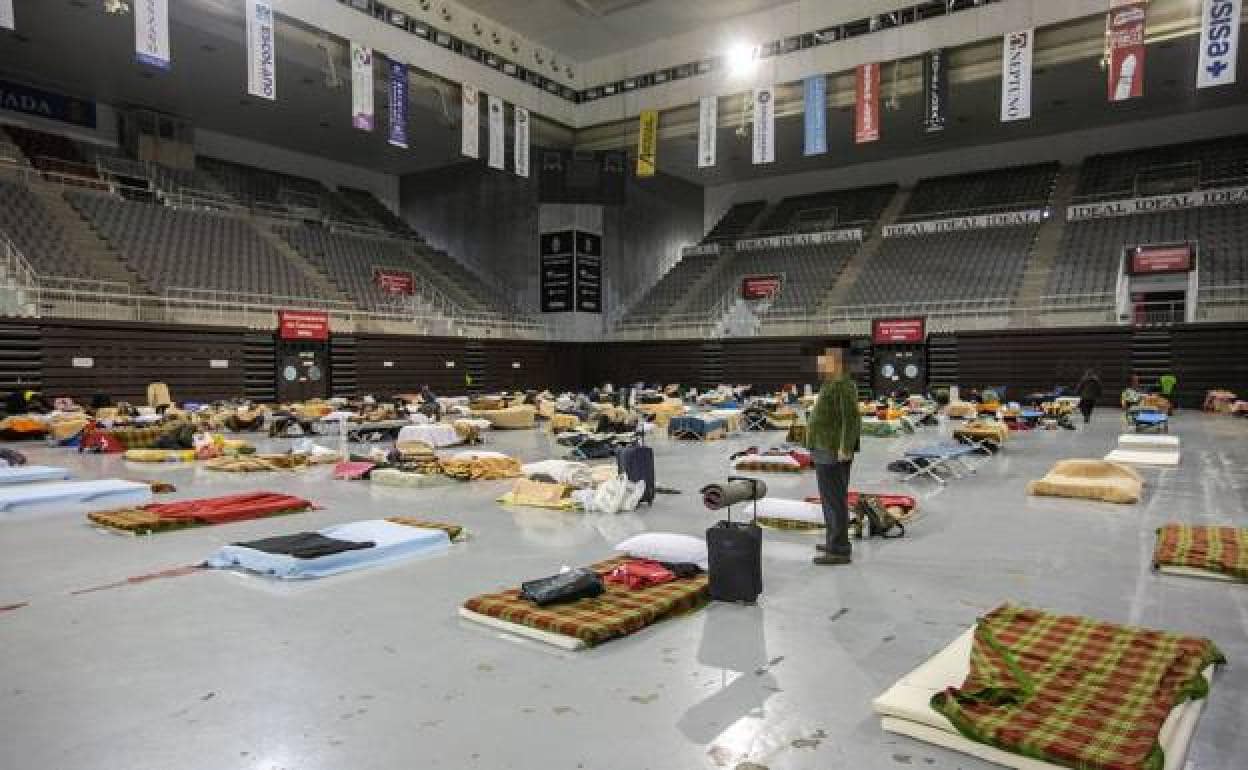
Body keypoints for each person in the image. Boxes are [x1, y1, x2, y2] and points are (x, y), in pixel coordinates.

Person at [805, 349, 861, 566]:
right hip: (824, 448)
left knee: (834, 501)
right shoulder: (831, 382)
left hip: (832, 450)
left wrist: (845, 447)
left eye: (823, 362)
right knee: (831, 500)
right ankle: (834, 541)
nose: (819, 366)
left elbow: (852, 418)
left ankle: (839, 549)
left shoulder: (842, 383)